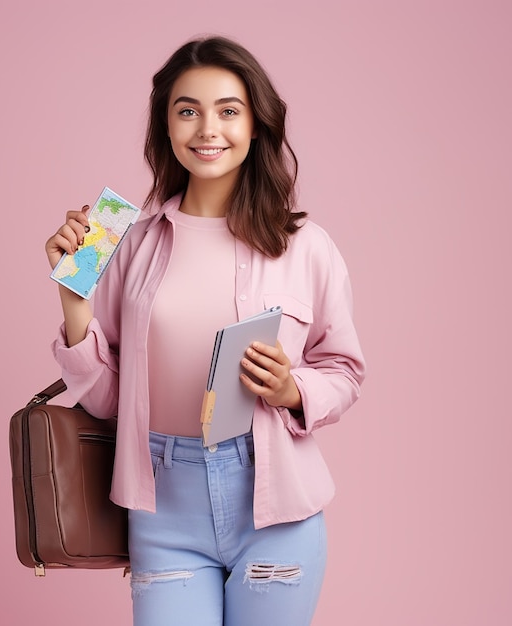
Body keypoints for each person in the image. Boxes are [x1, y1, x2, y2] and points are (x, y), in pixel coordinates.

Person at [46, 35, 365, 626]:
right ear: (165, 126)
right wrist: (75, 304)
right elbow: (109, 400)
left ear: (256, 124)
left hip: (277, 512)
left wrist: (293, 390)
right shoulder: (122, 238)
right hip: (165, 508)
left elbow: (344, 370)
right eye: (187, 110)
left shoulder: (306, 245)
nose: (206, 128)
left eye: (228, 110)